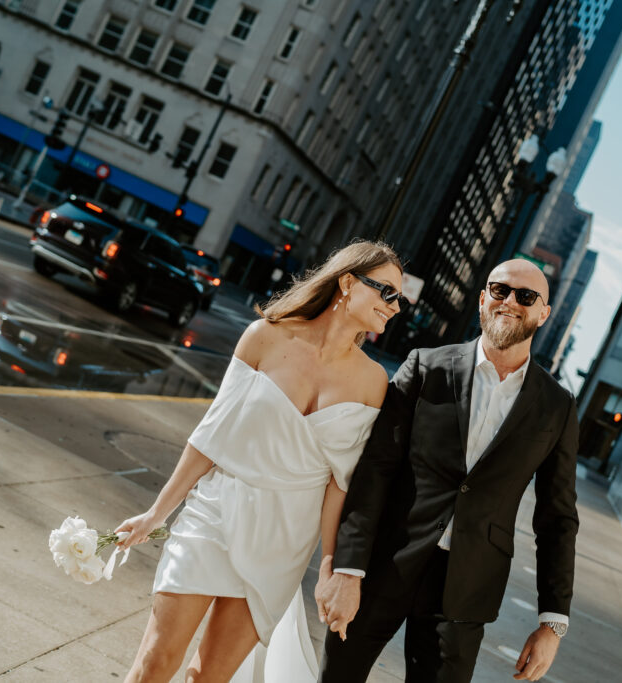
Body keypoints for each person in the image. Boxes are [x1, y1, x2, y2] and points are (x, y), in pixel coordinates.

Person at [114, 240, 406, 682]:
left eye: (398, 298)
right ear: (347, 282)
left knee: (208, 676)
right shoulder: (266, 336)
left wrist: (330, 565)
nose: (395, 306)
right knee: (154, 662)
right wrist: (157, 513)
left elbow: (339, 484)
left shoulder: (373, 381)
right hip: (215, 513)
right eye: (386, 292)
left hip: (284, 543)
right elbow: (212, 435)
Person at [316, 259, 580, 683]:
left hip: (466, 590)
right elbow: (375, 470)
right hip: (385, 565)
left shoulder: (557, 406)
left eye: (526, 297)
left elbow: (558, 518)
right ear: (482, 298)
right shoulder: (426, 366)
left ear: (543, 313)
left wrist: (552, 622)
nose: (510, 302)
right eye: (500, 290)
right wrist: (347, 569)